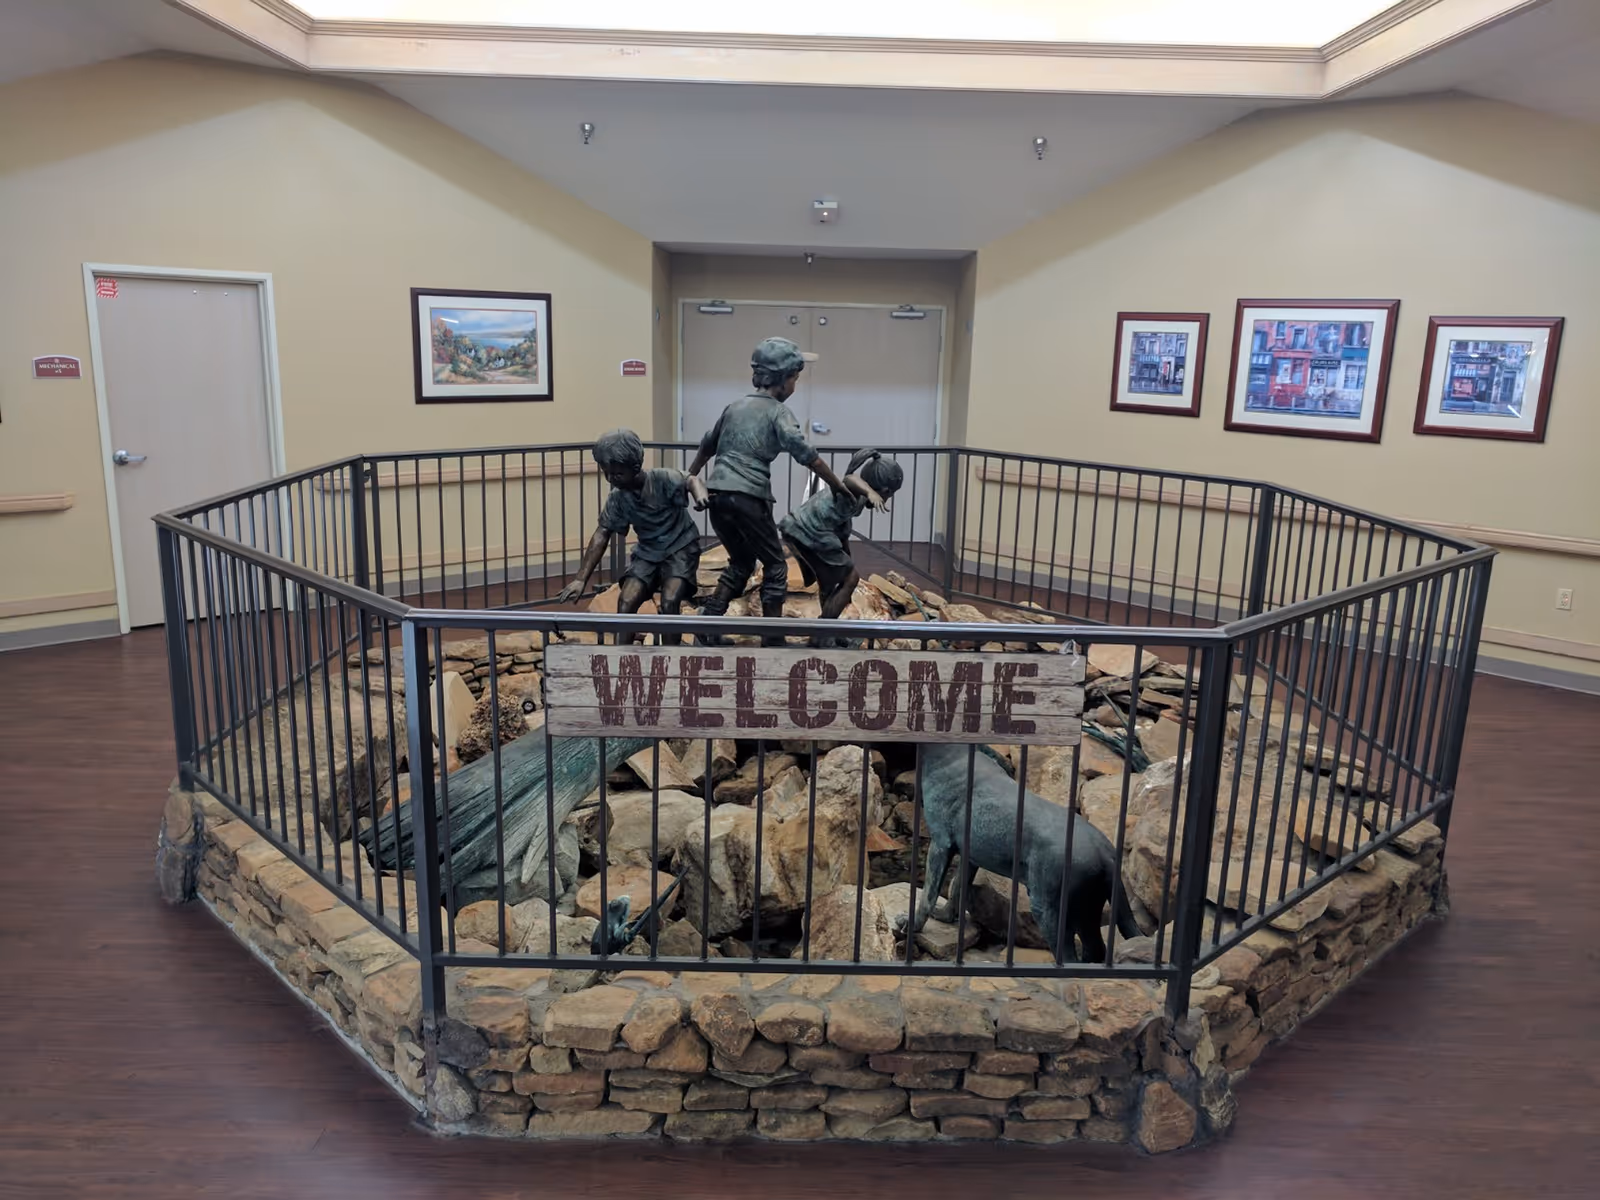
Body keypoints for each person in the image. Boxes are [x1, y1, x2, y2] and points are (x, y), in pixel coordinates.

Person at [685, 336, 850, 646]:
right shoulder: (778, 412)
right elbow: (806, 453)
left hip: (718, 496)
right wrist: (838, 484)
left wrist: (691, 476)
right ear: (782, 379)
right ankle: (772, 639)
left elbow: (708, 444)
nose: (795, 386)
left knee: (742, 562)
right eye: (795, 379)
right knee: (775, 566)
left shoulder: (734, 407)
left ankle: (708, 626)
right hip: (749, 498)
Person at [555, 429, 707, 644]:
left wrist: (700, 496)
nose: (610, 479)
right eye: (606, 473)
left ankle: (673, 659)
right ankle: (621, 658)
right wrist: (581, 578)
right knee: (626, 601)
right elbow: (601, 534)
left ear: (635, 468)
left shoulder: (662, 478)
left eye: (617, 474)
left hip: (680, 547)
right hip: (647, 553)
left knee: (670, 601)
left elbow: (691, 480)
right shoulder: (617, 498)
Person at [780, 447, 902, 647]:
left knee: (830, 584)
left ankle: (830, 630)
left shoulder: (857, 501)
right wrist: (870, 492)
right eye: (888, 495)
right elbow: (848, 479)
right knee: (851, 579)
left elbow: (842, 525)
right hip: (808, 531)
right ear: (885, 491)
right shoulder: (852, 492)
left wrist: (846, 555)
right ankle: (821, 632)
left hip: (802, 529)